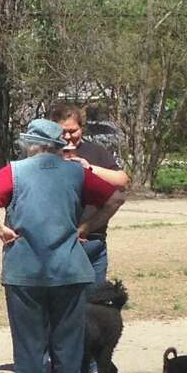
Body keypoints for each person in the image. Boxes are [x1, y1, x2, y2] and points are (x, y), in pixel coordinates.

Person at [0, 118, 123, 373]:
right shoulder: (77, 172)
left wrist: (0, 230)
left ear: (29, 144)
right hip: (70, 271)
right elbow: (115, 198)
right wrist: (85, 228)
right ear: (59, 146)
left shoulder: (15, 170)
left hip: (25, 273)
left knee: (28, 351)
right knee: (68, 349)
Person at [48, 101, 127, 287]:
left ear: (81, 128)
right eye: (62, 132)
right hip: (58, 242)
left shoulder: (96, 152)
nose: (68, 137)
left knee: (93, 304)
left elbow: (122, 180)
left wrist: (89, 168)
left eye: (73, 131)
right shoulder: (45, 153)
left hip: (93, 240)